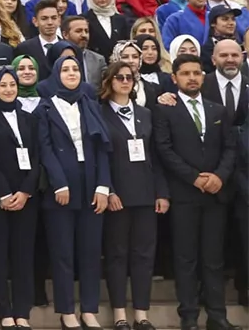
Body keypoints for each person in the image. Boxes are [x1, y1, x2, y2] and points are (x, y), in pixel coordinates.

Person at [155, 54, 238, 330]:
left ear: (203, 76)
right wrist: (194, 178)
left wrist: (219, 176)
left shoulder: (217, 110)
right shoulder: (166, 109)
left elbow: (230, 147)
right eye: (186, 73)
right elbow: (164, 149)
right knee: (186, 258)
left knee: (214, 259)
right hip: (184, 195)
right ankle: (188, 316)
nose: (192, 77)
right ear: (174, 77)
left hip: (215, 194)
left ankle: (217, 315)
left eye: (197, 73)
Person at [36, 54, 110, 330]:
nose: (71, 73)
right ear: (56, 74)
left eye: (75, 69)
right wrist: (59, 183)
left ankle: (89, 309)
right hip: (62, 187)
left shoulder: (90, 105)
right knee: (63, 252)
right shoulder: (44, 108)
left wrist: (104, 186)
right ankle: (66, 310)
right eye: (65, 69)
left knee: (90, 251)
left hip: (91, 184)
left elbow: (103, 148)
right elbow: (44, 149)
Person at [98, 61, 169, 330]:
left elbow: (155, 157)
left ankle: (141, 312)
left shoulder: (146, 114)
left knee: (144, 254)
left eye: (129, 77)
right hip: (117, 195)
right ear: (110, 81)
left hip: (146, 193)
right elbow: (100, 157)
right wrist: (110, 190)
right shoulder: (100, 113)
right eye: (119, 77)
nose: (125, 81)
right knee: (117, 254)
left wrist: (161, 192)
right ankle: (119, 314)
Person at [0, 68, 40, 329]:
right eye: (2, 85)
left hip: (26, 197)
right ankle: (3, 310)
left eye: (12, 84)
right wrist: (3, 193)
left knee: (23, 256)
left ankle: (22, 311)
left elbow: (37, 156)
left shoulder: (30, 118)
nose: (8, 89)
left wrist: (25, 191)